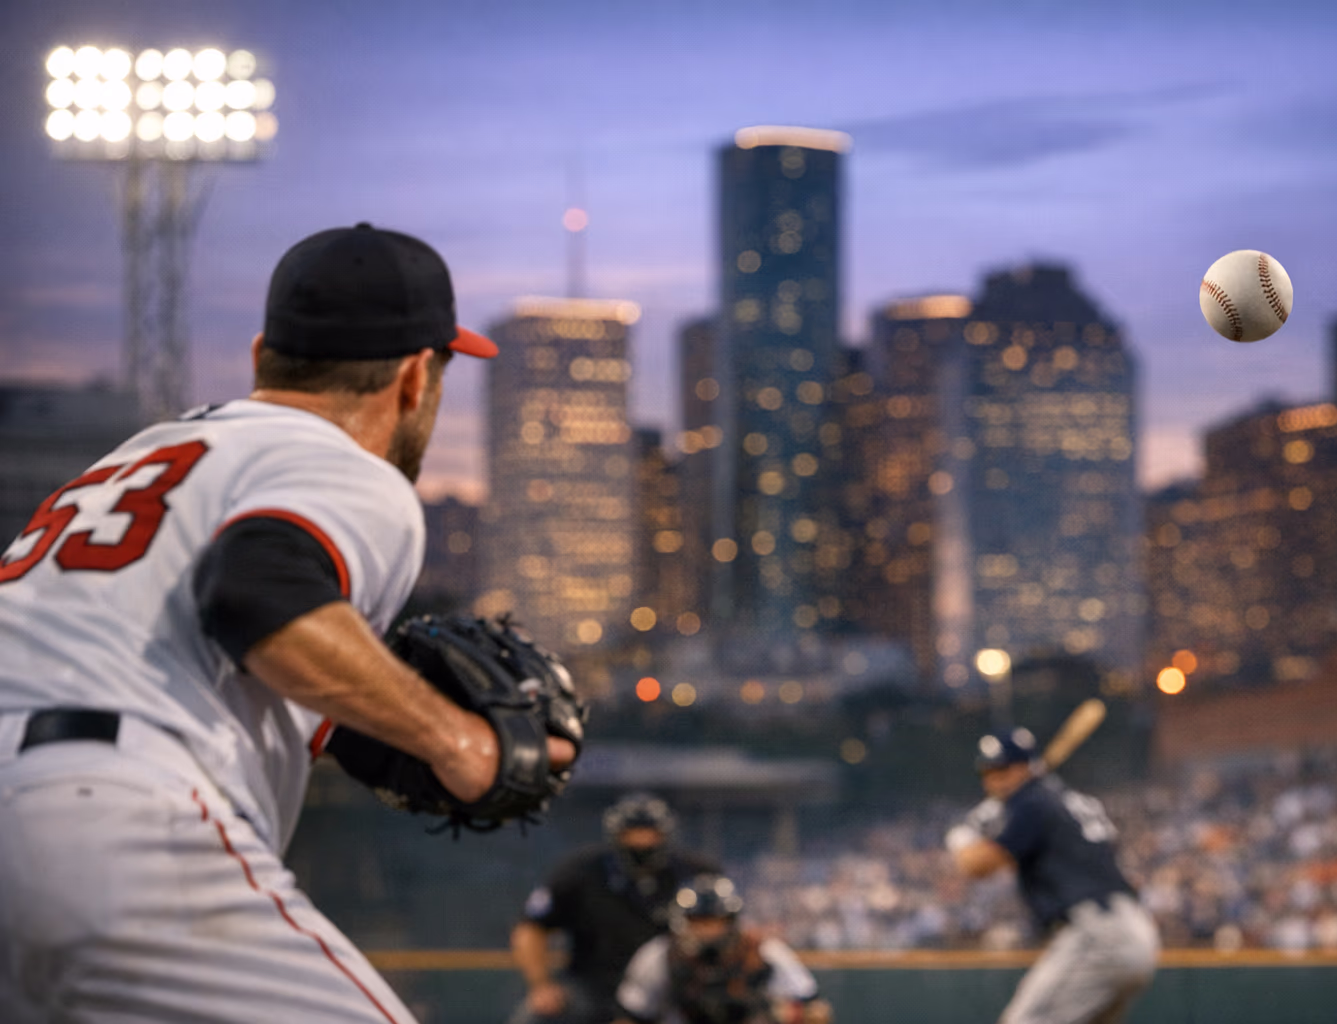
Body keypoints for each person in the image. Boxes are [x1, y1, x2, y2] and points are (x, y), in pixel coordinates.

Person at [0, 222, 576, 1023]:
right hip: (111, 818)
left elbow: (214, 647)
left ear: (262, 355)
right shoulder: (344, 464)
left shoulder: (141, 458)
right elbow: (253, 592)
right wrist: (462, 743)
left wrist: (389, 730)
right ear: (416, 378)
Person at [946, 728, 1159, 1024]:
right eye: (987, 772)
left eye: (1002, 769)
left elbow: (977, 866)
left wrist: (962, 836)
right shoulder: (1062, 800)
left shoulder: (1033, 802)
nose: (992, 780)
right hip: (1134, 932)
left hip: (1096, 937)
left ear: (1024, 768)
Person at [511, 792, 718, 1024]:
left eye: (649, 834)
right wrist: (541, 985)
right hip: (593, 985)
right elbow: (531, 927)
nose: (642, 843)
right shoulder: (580, 872)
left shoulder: (697, 874)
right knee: (537, 1016)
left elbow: (727, 927)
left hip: (670, 986)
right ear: (616, 836)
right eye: (632, 835)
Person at [615, 873, 830, 1024]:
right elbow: (631, 1015)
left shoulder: (764, 951)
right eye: (698, 921)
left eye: (716, 921)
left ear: (731, 921)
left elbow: (815, 1009)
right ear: (683, 921)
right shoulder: (659, 954)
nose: (708, 930)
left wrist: (784, 1013)